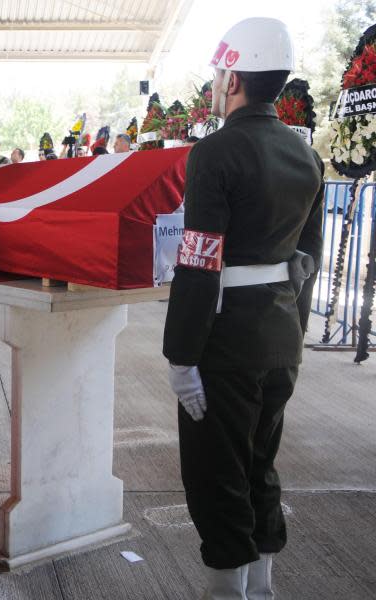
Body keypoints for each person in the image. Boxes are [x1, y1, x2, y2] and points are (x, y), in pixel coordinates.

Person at [162, 18, 324, 599]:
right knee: (260, 466)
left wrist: (180, 353)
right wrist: (293, 336)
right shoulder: (306, 155)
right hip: (279, 340)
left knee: (216, 476)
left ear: (231, 77)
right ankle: (261, 589)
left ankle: (226, 593)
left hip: (224, 346)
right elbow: (309, 261)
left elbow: (199, 260)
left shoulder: (214, 153)